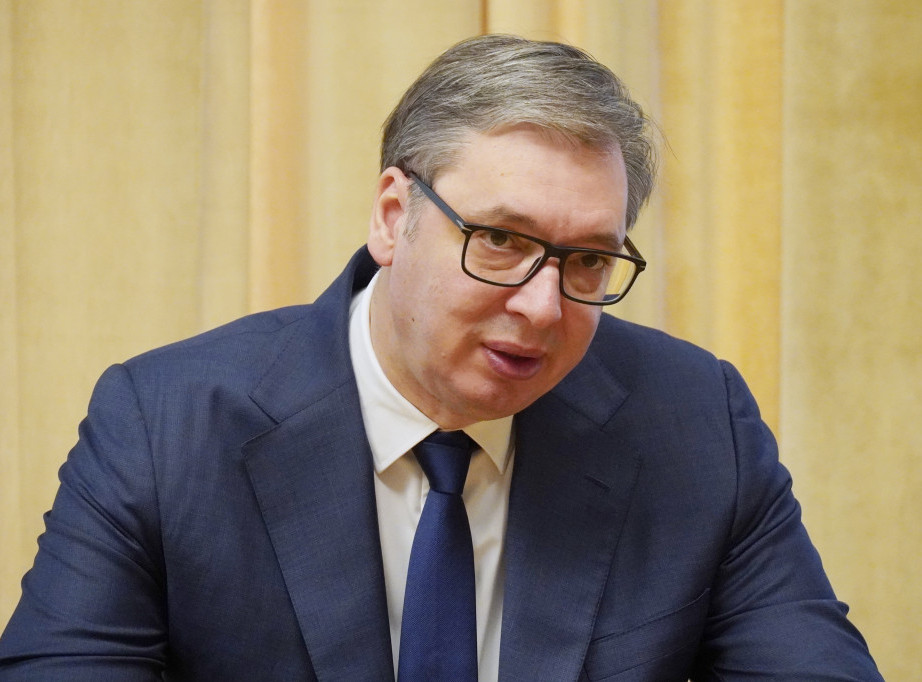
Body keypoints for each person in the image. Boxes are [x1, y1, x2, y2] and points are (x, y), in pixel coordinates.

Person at [0, 34, 881, 681]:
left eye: (587, 260)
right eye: (501, 240)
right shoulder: (163, 427)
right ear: (393, 218)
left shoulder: (695, 425)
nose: (543, 306)